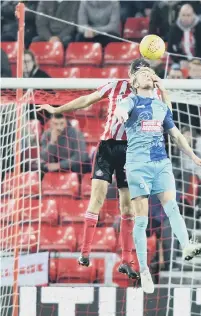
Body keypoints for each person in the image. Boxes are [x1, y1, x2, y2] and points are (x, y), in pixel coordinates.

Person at [36, 59, 159, 280]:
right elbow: (86, 100)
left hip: (131, 152)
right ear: (131, 74)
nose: (142, 77)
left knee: (127, 207)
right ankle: (84, 253)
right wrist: (57, 109)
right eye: (139, 73)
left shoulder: (153, 96)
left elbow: (158, 123)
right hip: (107, 148)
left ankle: (125, 261)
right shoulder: (116, 86)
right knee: (97, 198)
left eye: (146, 73)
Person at [114, 68, 201, 293]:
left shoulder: (161, 106)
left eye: (150, 72)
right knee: (141, 221)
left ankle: (186, 246)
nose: (148, 74)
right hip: (139, 165)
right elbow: (122, 107)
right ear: (134, 82)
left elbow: (176, 135)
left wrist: (195, 157)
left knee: (173, 208)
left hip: (161, 163)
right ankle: (145, 272)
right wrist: (120, 112)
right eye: (142, 73)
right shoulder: (131, 100)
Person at [167, 3, 201, 68]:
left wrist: (195, 61)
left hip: (199, 61)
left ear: (193, 15)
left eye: (188, 15)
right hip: (180, 62)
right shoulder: (174, 29)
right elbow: (170, 49)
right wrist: (180, 61)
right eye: (183, 15)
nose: (186, 18)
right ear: (179, 15)